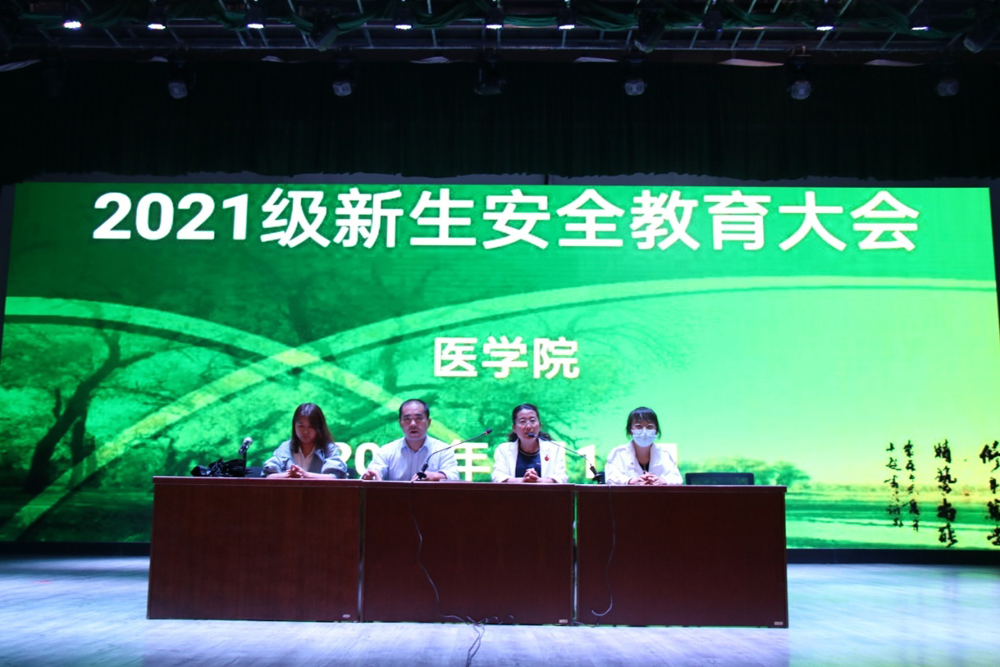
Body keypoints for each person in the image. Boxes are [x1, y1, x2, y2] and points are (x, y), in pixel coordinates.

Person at [361, 399, 459, 481]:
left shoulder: (443, 450)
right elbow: (375, 471)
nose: (413, 424)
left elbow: (454, 477)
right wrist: (371, 476)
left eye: (418, 419)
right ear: (400, 423)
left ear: (428, 422)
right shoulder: (387, 451)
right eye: (407, 419)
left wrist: (434, 476)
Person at [263, 403, 348, 479]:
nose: (305, 431)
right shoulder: (285, 448)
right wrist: (289, 475)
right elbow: (269, 476)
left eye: (311, 427)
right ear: (294, 426)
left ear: (319, 427)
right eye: (301, 426)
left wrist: (305, 475)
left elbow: (335, 477)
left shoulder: (329, 449)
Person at [491, 403, 568, 483]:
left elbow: (562, 478)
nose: (528, 426)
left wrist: (539, 481)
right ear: (514, 428)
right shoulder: (503, 450)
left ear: (539, 425)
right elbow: (497, 477)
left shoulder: (555, 448)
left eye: (532, 420)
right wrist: (523, 481)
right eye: (522, 421)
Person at [605, 406, 682, 485]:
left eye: (649, 426)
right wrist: (631, 481)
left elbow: (677, 479)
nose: (644, 431)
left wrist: (662, 481)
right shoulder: (618, 453)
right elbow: (611, 478)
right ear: (630, 430)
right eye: (638, 426)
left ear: (656, 430)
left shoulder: (665, 454)